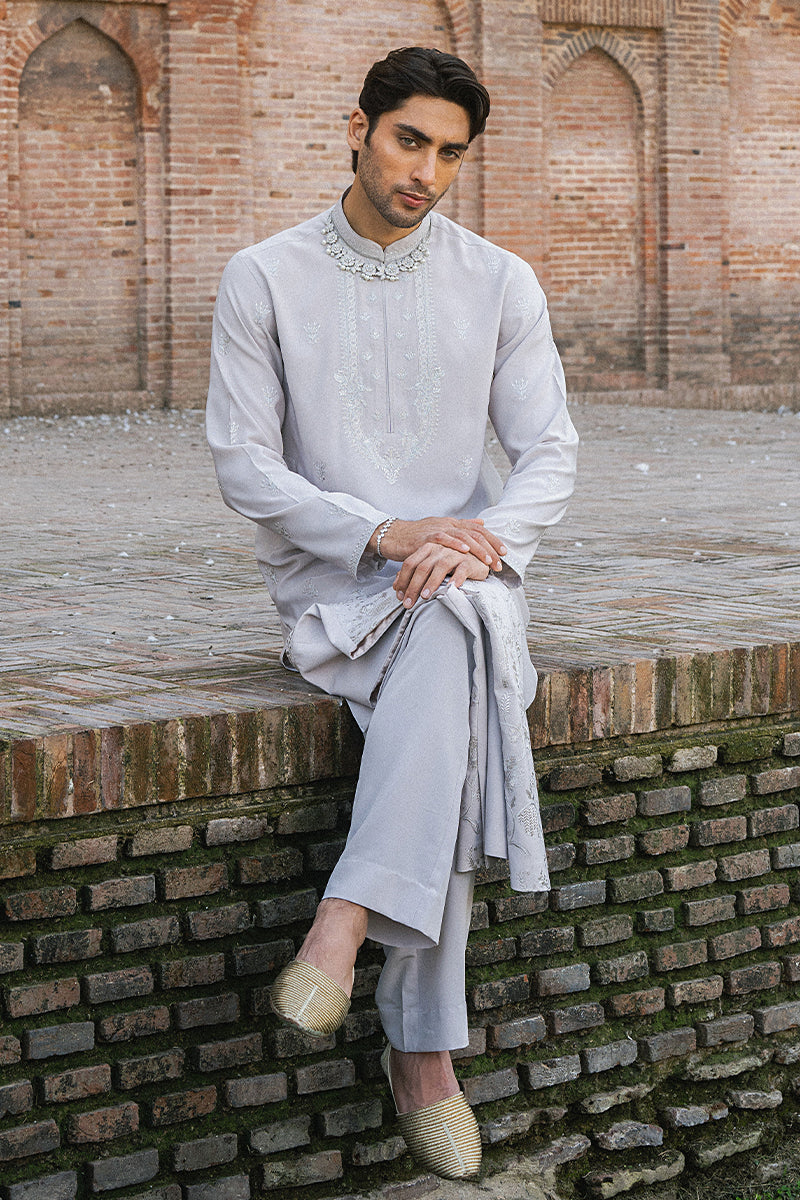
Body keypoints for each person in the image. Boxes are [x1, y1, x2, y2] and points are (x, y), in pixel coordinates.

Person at [206, 46, 578, 1179]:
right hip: (337, 583)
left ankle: (344, 923)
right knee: (459, 664)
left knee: (456, 625)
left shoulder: (499, 280)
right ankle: (421, 1049)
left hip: (465, 576)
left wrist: (480, 542)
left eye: (451, 154)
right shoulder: (263, 277)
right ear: (357, 128)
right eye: (410, 140)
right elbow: (243, 464)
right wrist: (385, 532)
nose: (427, 172)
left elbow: (550, 450)